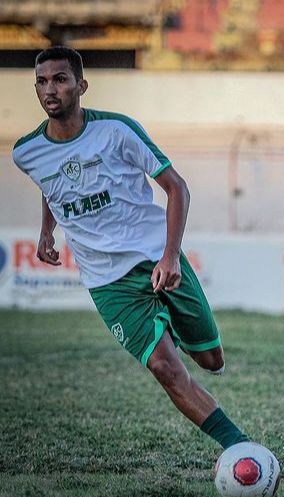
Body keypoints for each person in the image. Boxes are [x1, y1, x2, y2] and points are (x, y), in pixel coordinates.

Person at [12, 46, 254, 453]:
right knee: (164, 366)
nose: (49, 88)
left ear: (81, 85)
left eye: (60, 79)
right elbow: (50, 185)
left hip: (156, 258)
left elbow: (177, 187)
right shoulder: (26, 152)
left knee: (212, 361)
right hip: (108, 282)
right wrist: (46, 232)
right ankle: (241, 448)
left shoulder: (118, 130)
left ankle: (171, 325)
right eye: (41, 81)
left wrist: (171, 255)